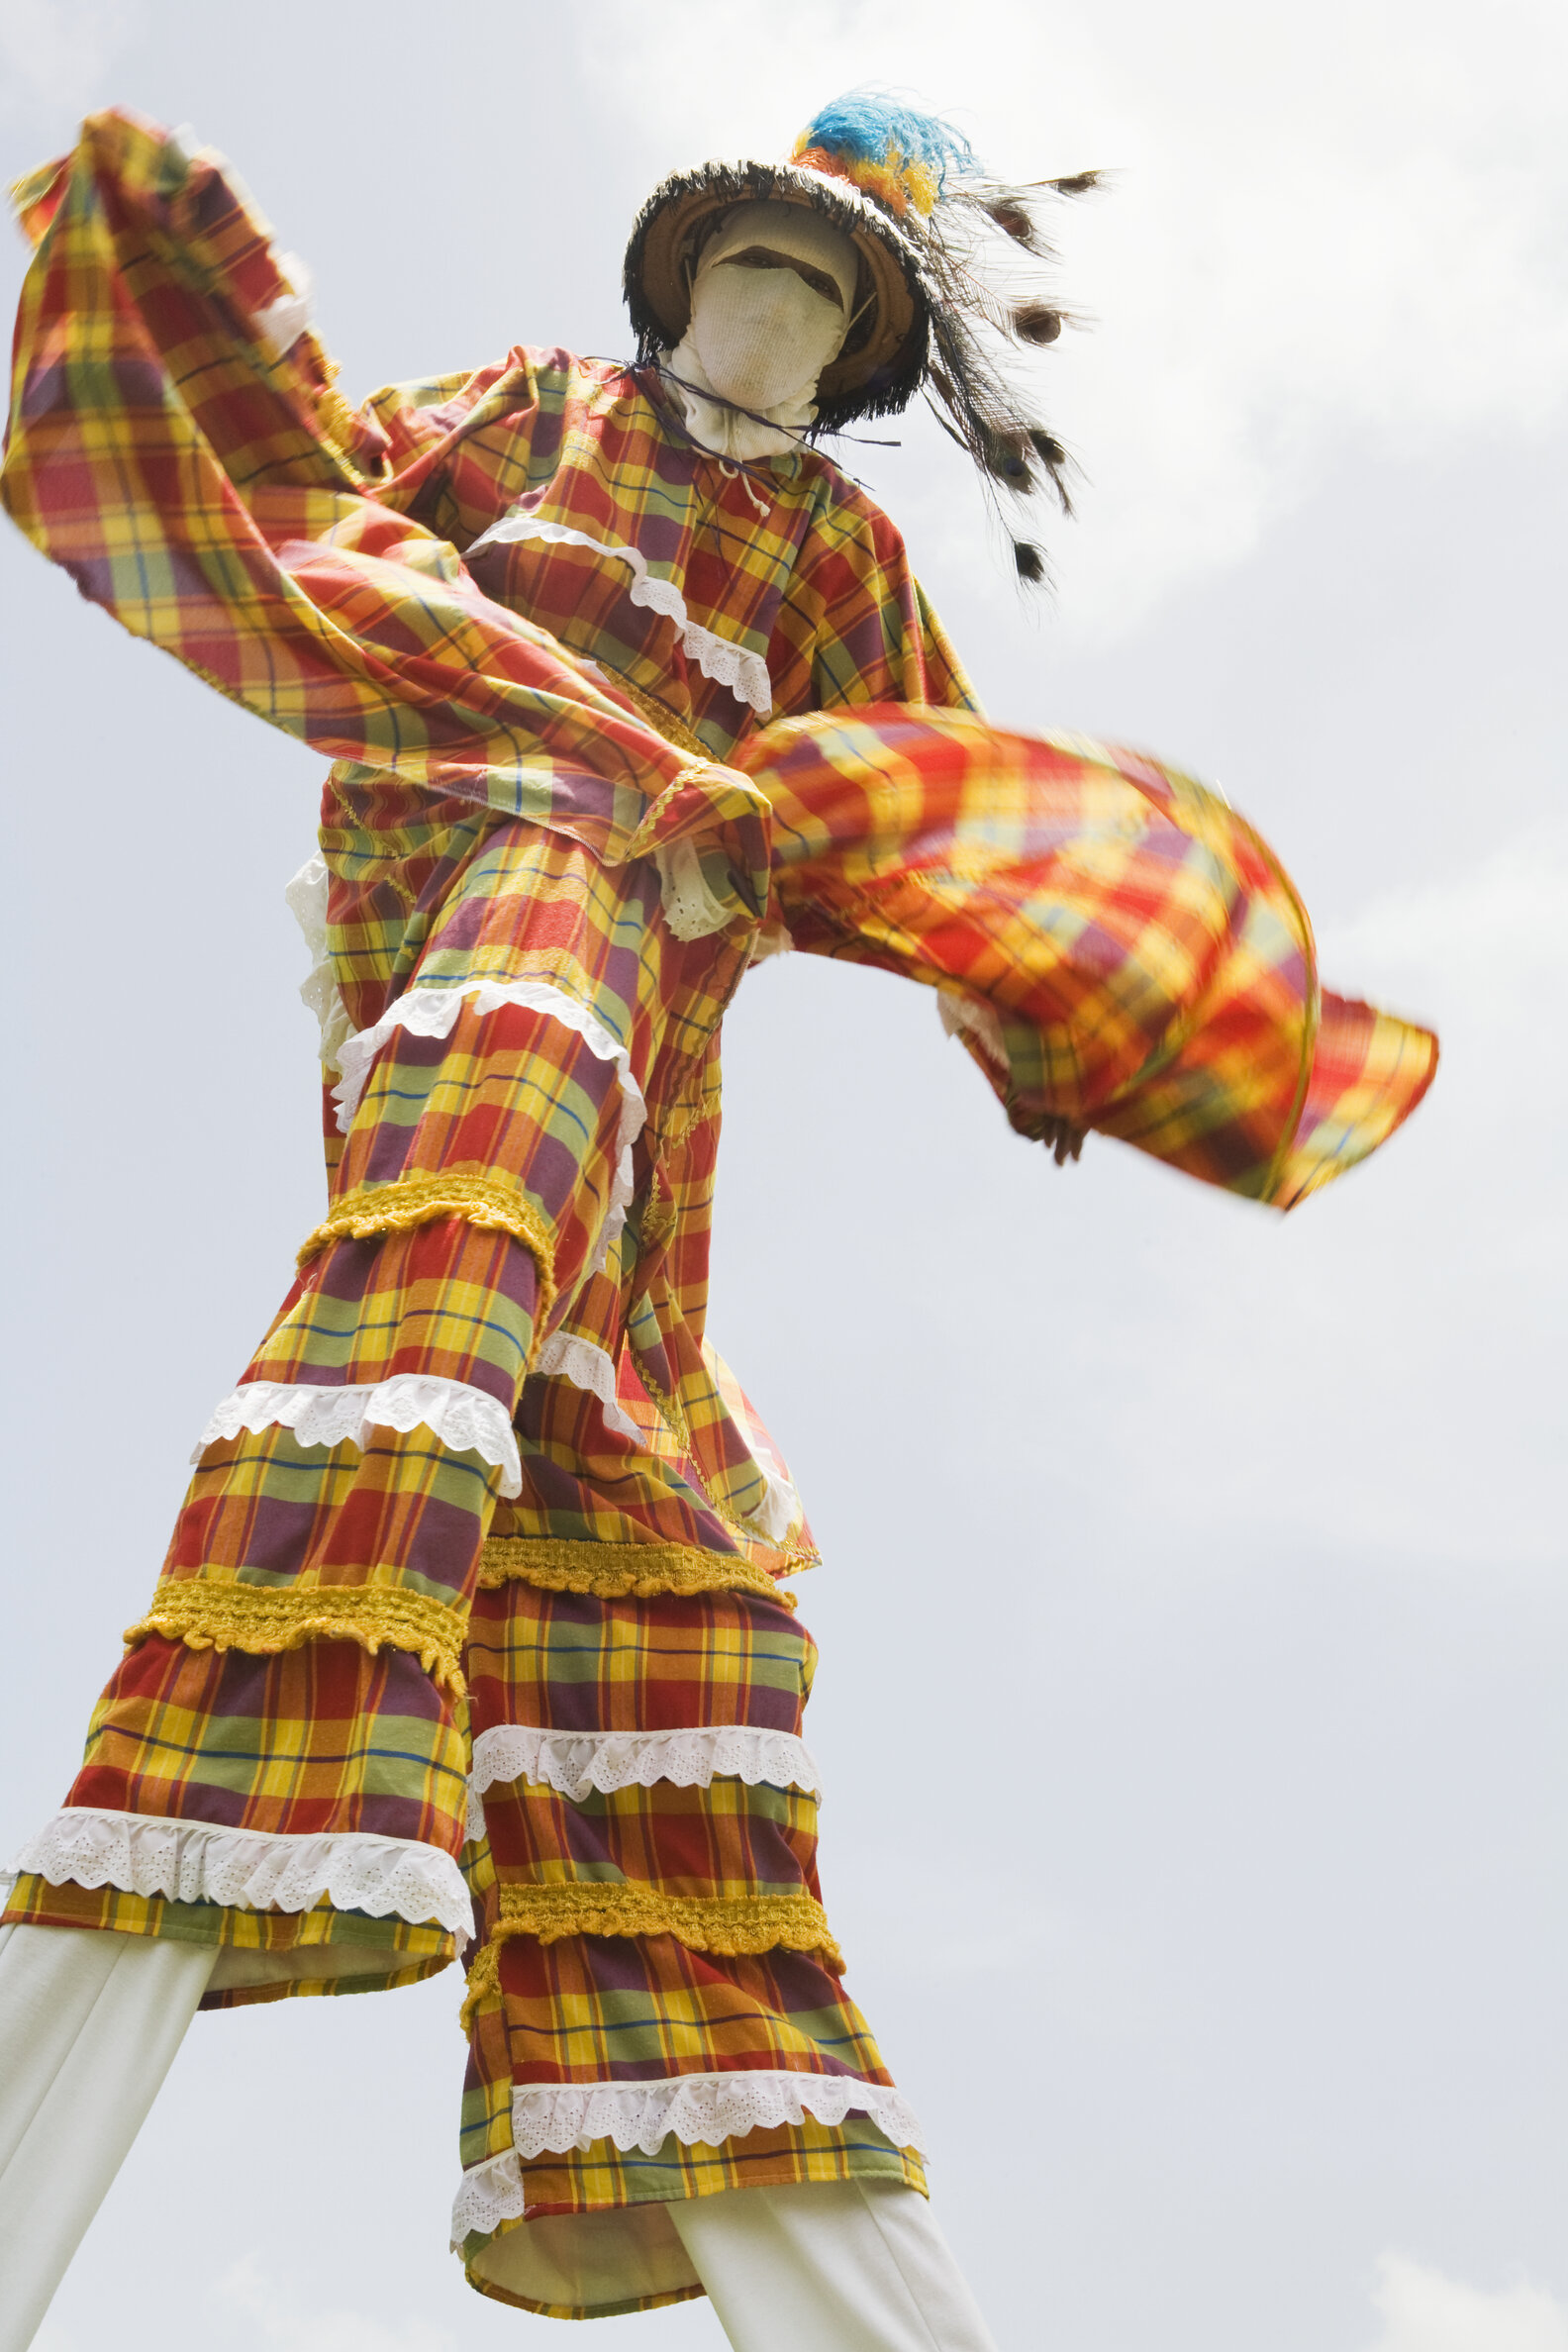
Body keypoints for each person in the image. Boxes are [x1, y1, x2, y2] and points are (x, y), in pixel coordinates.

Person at [0, 92, 1436, 2350]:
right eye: (755, 265)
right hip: (466, 884)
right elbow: (318, 516)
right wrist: (535, 693)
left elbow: (926, 820)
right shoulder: (531, 411)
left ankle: (686, 2041)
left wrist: (1043, 1014)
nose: (773, 310)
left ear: (858, 342)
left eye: (823, 290)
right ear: (687, 277)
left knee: (634, 1480)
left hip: (652, 1028)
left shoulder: (848, 566)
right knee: (512, 1117)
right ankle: (316, 1672)